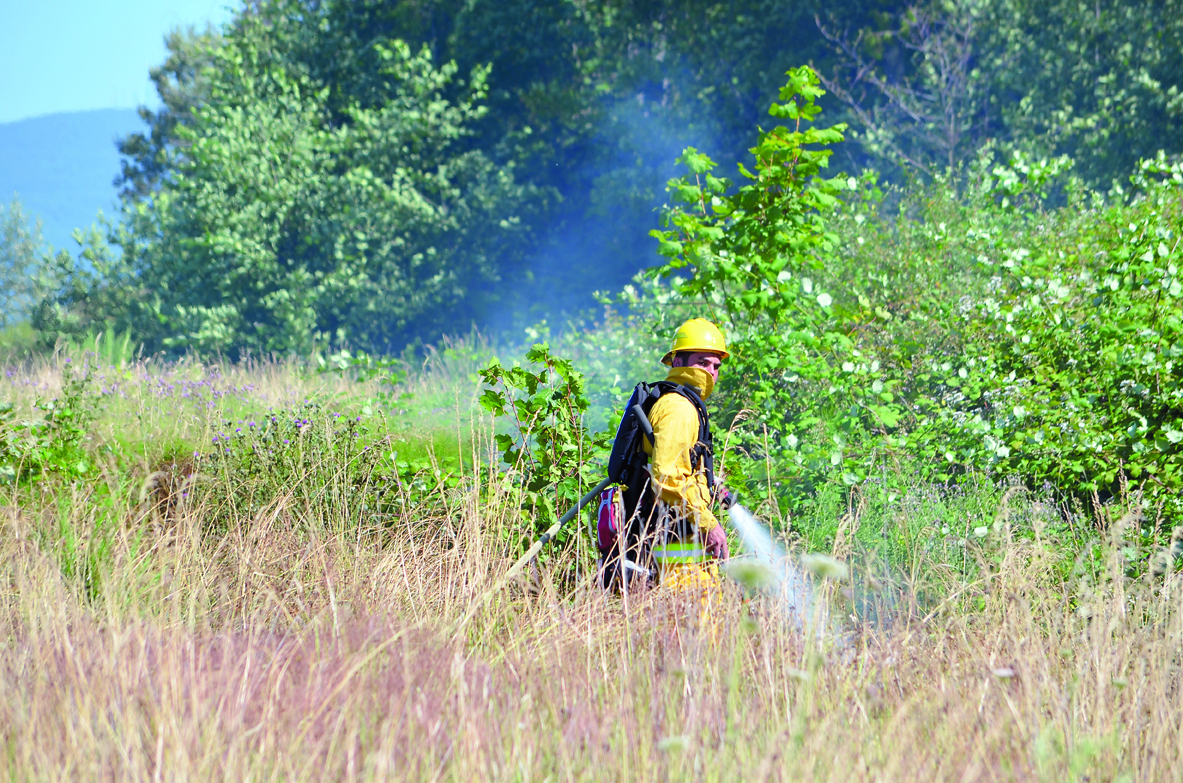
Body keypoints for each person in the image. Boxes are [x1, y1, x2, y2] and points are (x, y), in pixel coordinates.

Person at [629, 318, 731, 586]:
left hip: (677, 541)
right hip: (676, 545)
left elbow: (678, 467)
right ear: (676, 362)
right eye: (702, 362)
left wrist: (711, 485)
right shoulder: (680, 408)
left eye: (716, 366)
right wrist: (708, 523)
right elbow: (667, 476)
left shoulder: (677, 401)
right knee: (694, 622)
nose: (710, 372)